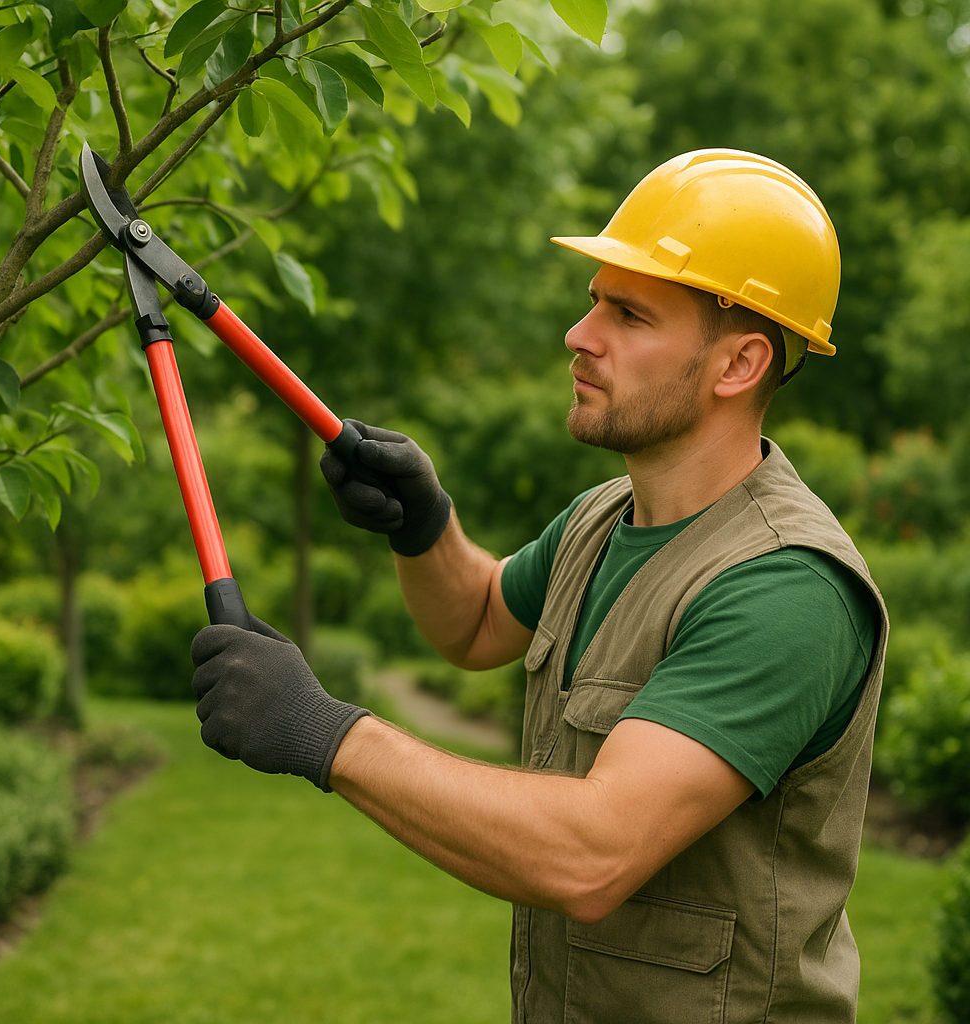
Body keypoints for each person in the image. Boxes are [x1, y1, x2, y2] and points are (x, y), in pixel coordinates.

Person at [190, 149, 888, 1024]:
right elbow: (479, 622)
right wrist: (425, 526)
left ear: (739, 364)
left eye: (629, 314)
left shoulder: (785, 588)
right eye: (594, 300)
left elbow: (593, 854)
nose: (579, 334)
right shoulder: (605, 517)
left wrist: (324, 731)